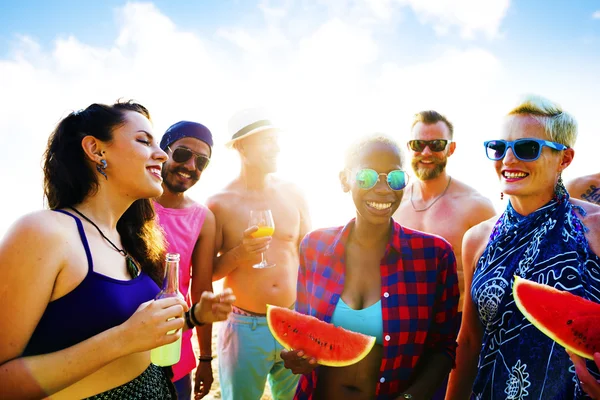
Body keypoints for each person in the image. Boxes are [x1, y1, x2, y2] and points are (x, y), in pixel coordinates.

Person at [0, 101, 235, 399]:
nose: (161, 154)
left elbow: (140, 332)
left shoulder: (131, 239)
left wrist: (195, 316)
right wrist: (122, 340)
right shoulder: (43, 233)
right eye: (143, 140)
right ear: (97, 150)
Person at [281, 134, 460, 399]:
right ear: (345, 180)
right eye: (367, 177)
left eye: (395, 178)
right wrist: (297, 358)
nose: (384, 189)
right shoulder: (315, 247)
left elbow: (444, 348)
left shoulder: (434, 257)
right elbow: (307, 331)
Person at [446, 95, 600, 399]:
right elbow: (469, 342)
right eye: (499, 148)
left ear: (565, 158)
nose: (508, 160)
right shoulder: (477, 239)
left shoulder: (594, 228)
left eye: (527, 148)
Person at [206, 107, 312, 400]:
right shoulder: (219, 203)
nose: (276, 147)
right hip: (244, 326)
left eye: (276, 139)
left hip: (294, 319)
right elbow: (208, 273)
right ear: (241, 147)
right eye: (267, 140)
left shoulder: (294, 192)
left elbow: (309, 256)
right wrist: (239, 254)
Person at [392, 111, 496, 399]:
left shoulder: (475, 206)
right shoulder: (393, 201)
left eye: (436, 145)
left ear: (451, 148)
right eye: (417, 145)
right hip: (401, 329)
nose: (426, 152)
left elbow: (492, 280)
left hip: (453, 332)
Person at [155, 121, 217, 399]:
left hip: (177, 357)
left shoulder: (203, 218)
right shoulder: (132, 202)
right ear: (162, 151)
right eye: (182, 154)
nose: (191, 165)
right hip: (124, 353)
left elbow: (201, 289)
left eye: (201, 161)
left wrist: (205, 358)